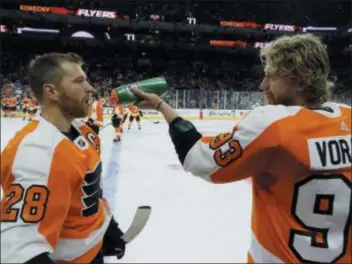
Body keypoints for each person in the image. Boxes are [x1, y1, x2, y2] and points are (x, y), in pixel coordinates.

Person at [130, 33, 351, 263]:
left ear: (300, 79)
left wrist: (161, 106)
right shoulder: (349, 117)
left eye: (271, 77)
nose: (262, 85)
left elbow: (196, 158)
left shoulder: (273, 124)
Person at [0, 52, 126, 263]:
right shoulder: (36, 151)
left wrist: (107, 229)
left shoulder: (84, 132)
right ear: (52, 92)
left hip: (93, 252)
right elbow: (17, 251)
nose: (90, 88)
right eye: (79, 81)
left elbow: (87, 192)